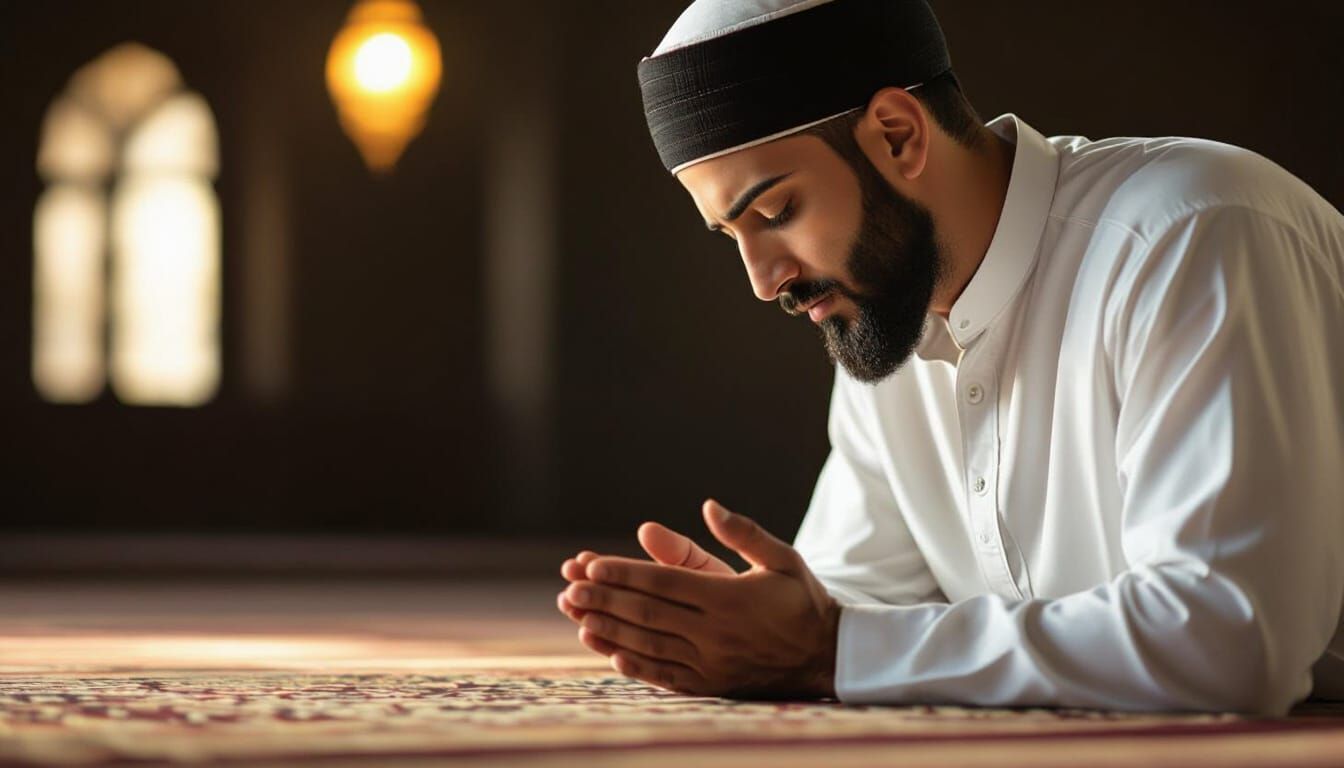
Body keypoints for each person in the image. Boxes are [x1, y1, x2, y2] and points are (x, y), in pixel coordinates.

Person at [556, 0, 1344, 714]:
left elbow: (1231, 643)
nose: (765, 282)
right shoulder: (889, 316)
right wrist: (752, 621)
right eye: (734, 237)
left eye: (776, 211)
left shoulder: (1189, 234)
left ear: (898, 134)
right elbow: (858, 609)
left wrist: (828, 647)